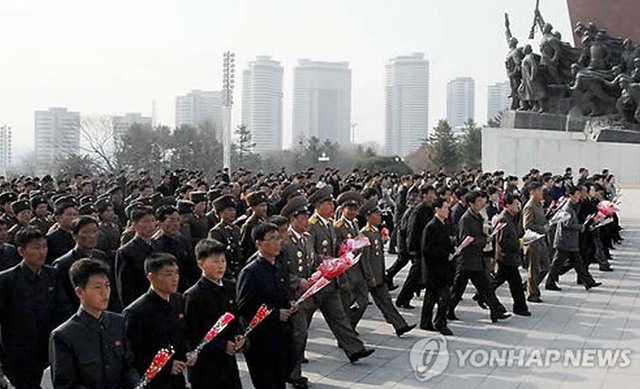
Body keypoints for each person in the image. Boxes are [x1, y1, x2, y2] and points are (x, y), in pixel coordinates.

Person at [306, 187, 374, 363]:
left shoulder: (328, 223)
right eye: (328, 203)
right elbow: (310, 252)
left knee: (339, 317)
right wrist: (325, 262)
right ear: (318, 205)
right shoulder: (312, 224)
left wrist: (340, 269)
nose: (331, 206)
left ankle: (354, 349)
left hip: (332, 279)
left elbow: (336, 251)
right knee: (303, 321)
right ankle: (295, 356)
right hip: (317, 281)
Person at [49, 259, 139, 389]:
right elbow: (65, 385)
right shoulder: (64, 335)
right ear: (79, 292)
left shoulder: (118, 322)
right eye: (97, 287)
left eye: (107, 285)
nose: (105, 293)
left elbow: (128, 366)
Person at [0, 227, 72, 389]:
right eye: (36, 247)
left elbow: (63, 310)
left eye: (44, 247)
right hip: (19, 355)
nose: (42, 252)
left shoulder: (52, 275)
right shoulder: (7, 281)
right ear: (21, 251)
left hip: (48, 351)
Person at [236, 223, 295, 389]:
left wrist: (290, 305)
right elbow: (244, 307)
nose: (278, 242)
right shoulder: (251, 272)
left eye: (278, 238)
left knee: (280, 379)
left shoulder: (279, 266)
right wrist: (275, 314)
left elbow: (284, 294)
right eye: (272, 239)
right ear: (259, 244)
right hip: (261, 340)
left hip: (281, 335)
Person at [124, 253, 193, 389]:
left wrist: (188, 352)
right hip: (153, 381)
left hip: (177, 378)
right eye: (169, 274)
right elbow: (133, 354)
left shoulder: (177, 300)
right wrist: (166, 366)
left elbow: (183, 333)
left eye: (176, 273)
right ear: (151, 277)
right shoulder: (136, 312)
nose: (175, 279)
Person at [184, 239, 243, 389]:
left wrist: (239, 335)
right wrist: (221, 345)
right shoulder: (193, 295)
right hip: (206, 364)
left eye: (223, 261)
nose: (221, 265)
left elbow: (236, 317)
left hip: (228, 361)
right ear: (201, 264)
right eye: (215, 261)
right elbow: (192, 333)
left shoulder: (230, 287)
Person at [449, 191, 511, 323]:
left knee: (486, 287)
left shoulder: (477, 216)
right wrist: (484, 240)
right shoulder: (466, 219)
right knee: (458, 289)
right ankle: (448, 310)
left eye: (482, 200)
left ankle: (497, 311)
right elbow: (464, 239)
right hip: (467, 260)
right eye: (478, 201)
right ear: (471, 204)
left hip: (476, 259)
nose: (482, 203)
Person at [357, 199, 415, 337]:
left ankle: (400, 326)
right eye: (376, 214)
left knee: (386, 302)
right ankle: (348, 328)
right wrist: (369, 276)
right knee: (360, 305)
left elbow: (379, 257)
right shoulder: (364, 234)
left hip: (378, 275)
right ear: (368, 216)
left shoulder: (375, 232)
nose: (380, 216)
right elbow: (364, 259)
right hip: (369, 277)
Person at [53, 216, 121, 312]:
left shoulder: (101, 257)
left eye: (94, 231)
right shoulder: (63, 264)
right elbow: (63, 299)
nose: (92, 236)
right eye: (85, 232)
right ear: (74, 236)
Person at [546, 186, 602, 291]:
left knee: (578, 263)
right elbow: (567, 224)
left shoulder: (572, 207)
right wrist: (581, 227)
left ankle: (588, 282)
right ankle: (550, 282)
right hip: (565, 241)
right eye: (576, 196)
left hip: (570, 241)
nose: (578, 198)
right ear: (570, 196)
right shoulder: (567, 208)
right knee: (557, 264)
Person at [420, 198, 455, 336]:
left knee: (431, 297)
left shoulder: (444, 224)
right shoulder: (432, 226)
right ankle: (440, 322)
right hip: (435, 269)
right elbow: (427, 249)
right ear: (437, 209)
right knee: (445, 296)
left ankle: (425, 322)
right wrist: (445, 254)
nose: (448, 211)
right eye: (445, 208)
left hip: (442, 266)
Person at [398, 185, 437, 309]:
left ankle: (404, 298)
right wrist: (412, 249)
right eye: (431, 193)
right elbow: (411, 231)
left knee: (417, 276)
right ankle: (403, 298)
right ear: (424, 195)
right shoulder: (419, 210)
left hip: (426, 248)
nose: (433, 196)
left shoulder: (429, 209)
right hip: (418, 249)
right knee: (414, 276)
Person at [492, 194, 530, 316]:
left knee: (499, 279)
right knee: (516, 284)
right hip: (506, 256)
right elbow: (502, 241)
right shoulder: (504, 219)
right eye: (515, 204)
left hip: (510, 256)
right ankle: (520, 307)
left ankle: (482, 294)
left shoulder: (512, 218)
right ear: (508, 205)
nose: (517, 206)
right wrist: (518, 243)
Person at [151, 205, 199, 292]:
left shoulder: (184, 241)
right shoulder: (155, 245)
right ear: (159, 223)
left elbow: (193, 267)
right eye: (171, 220)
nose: (176, 224)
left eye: (177, 219)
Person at [115, 206, 156, 307]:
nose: (151, 225)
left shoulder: (158, 245)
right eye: (146, 222)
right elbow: (125, 288)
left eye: (153, 220)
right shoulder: (125, 252)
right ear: (134, 225)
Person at [208, 195, 244, 279]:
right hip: (226, 273)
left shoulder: (236, 229)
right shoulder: (216, 232)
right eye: (229, 210)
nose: (233, 213)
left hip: (238, 271)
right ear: (221, 213)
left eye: (234, 210)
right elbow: (215, 256)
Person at [46, 198, 79, 264]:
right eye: (69, 214)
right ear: (58, 218)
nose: (73, 218)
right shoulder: (50, 239)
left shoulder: (79, 236)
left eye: (75, 215)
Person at [239, 190, 269, 259]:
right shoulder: (249, 225)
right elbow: (246, 248)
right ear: (253, 207)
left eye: (265, 205)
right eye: (261, 206)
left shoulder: (265, 220)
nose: (264, 208)